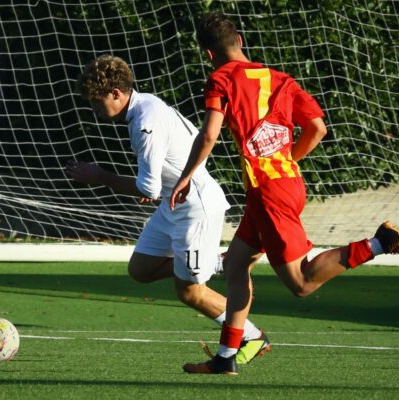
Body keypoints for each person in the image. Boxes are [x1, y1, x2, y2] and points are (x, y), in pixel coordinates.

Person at [170, 12, 399, 375]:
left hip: (269, 193)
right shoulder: (280, 79)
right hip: (286, 183)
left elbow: (210, 133)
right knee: (235, 264)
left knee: (302, 283)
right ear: (240, 40)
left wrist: (186, 176)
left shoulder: (220, 78)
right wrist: (286, 160)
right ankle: (227, 357)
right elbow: (318, 128)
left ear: (209, 54)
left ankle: (381, 242)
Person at [68, 55, 271, 365]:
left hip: (195, 208)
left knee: (190, 292)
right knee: (141, 269)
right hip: (173, 203)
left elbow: (146, 188)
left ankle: (252, 335)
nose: (94, 110)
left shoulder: (145, 122)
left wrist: (100, 177)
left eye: (96, 102)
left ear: (116, 94)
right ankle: (215, 262)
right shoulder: (145, 105)